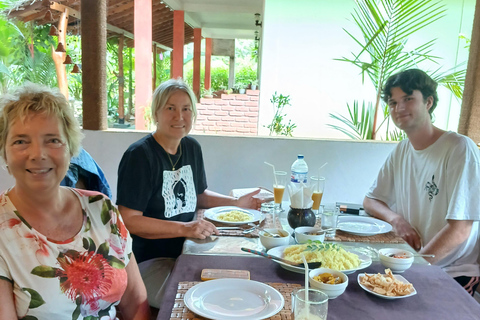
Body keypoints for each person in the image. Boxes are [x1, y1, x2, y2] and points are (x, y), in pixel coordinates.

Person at [0, 83, 150, 319]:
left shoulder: (102, 209)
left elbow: (137, 303)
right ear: (4, 152)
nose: (38, 154)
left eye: (53, 140)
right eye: (21, 141)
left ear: (70, 149)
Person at [116, 78, 262, 308]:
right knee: (199, 301)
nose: (179, 116)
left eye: (186, 109)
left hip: (187, 252)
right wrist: (185, 228)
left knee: (238, 283)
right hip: (149, 261)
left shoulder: (191, 147)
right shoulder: (140, 156)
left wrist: (235, 203)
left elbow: (199, 195)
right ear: (156, 113)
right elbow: (128, 219)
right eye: (170, 108)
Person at [363, 69, 480, 296]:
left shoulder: (459, 148)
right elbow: (371, 200)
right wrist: (396, 220)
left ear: (428, 102)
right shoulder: (402, 149)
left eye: (408, 99)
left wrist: (416, 267)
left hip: (451, 271)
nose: (399, 108)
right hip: (411, 262)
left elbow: (461, 229)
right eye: (393, 102)